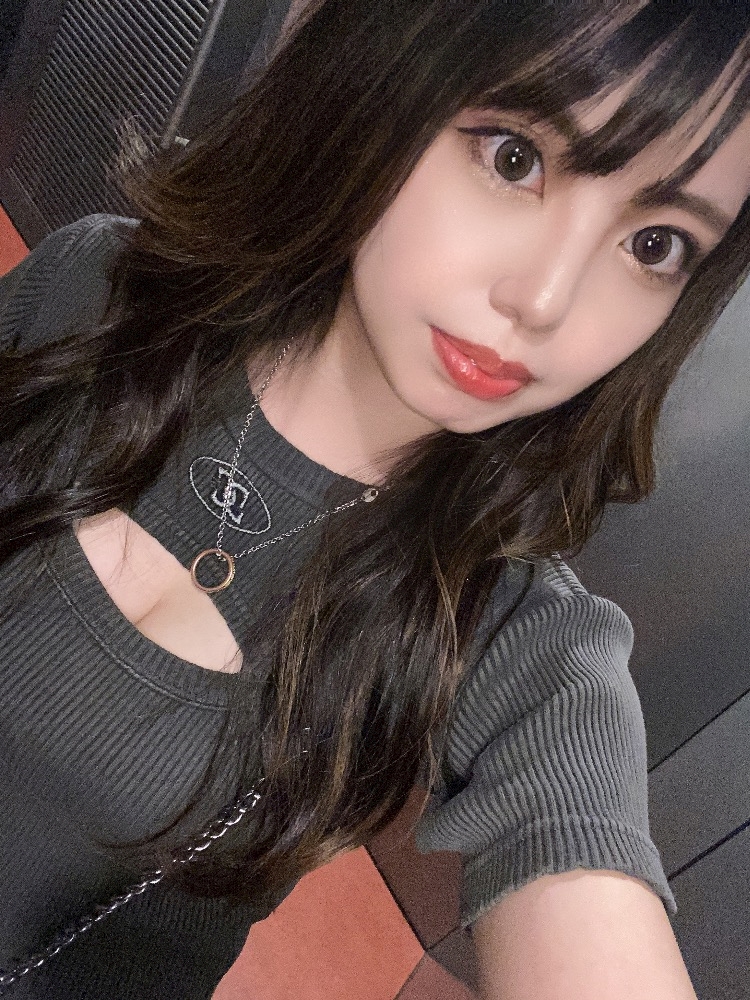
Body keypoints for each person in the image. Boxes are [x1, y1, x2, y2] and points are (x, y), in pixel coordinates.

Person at [1, 1, 749, 997]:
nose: (545, 301)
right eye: (516, 158)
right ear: (389, 76)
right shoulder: (96, 291)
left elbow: (586, 881)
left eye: (655, 244)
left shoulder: (511, 636)